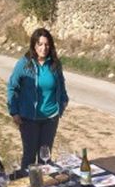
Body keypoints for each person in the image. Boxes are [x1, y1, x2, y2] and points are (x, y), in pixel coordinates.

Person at [7, 28, 69, 168]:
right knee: (29, 156)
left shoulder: (54, 64)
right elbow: (12, 87)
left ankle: (45, 182)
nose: (44, 48)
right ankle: (26, 181)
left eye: (47, 44)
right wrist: (14, 112)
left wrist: (64, 100)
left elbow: (61, 83)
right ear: (34, 45)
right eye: (40, 44)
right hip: (29, 119)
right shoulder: (24, 63)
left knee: (45, 158)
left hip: (51, 118)